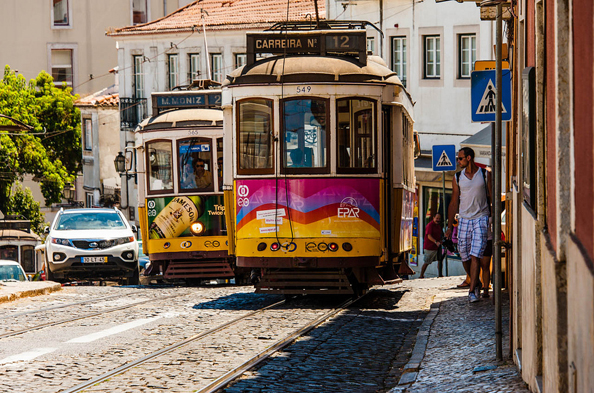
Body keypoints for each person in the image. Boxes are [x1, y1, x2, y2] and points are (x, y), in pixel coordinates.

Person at [445, 147, 492, 303]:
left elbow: (491, 197)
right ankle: (475, 280)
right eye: (458, 159)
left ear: (469, 158)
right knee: (464, 255)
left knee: (475, 255)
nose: (458, 161)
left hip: (481, 218)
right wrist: (450, 226)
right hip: (464, 219)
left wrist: (493, 219)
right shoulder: (458, 177)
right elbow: (454, 202)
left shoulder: (485, 174)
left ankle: (472, 291)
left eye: (460, 158)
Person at [419, 213, 443, 278]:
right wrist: (435, 242)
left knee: (440, 260)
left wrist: (440, 241)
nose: (438, 220)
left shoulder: (438, 226)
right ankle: (421, 275)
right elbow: (429, 236)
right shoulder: (430, 225)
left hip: (437, 247)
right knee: (427, 262)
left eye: (439, 219)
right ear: (433, 218)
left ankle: (440, 274)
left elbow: (439, 236)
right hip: (429, 247)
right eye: (437, 218)